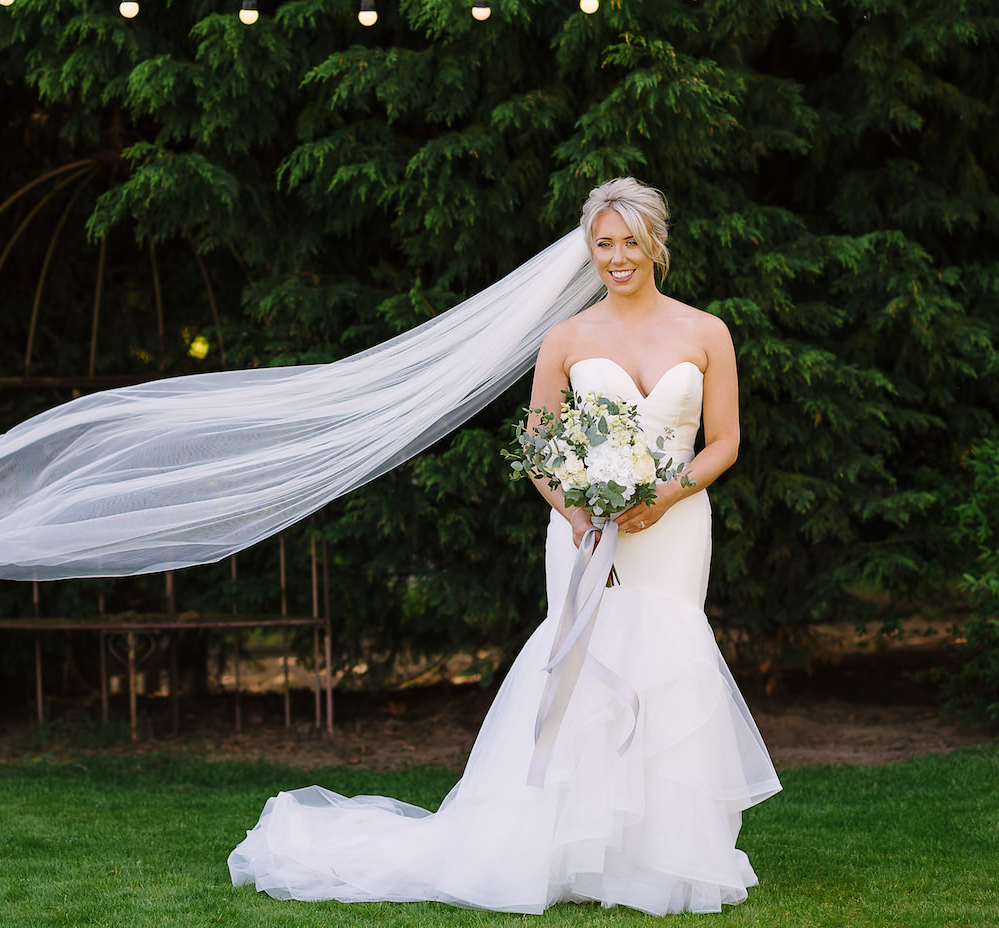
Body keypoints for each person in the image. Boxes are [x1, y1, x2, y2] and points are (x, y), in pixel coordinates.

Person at [228, 178, 781, 916]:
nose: (616, 257)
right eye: (602, 244)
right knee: (582, 664)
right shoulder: (568, 338)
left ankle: (664, 857)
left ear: (657, 242)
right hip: (586, 531)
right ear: (590, 252)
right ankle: (567, 851)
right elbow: (541, 452)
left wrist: (666, 493)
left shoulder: (706, 331)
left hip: (674, 526)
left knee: (670, 661)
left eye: (628, 242)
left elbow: (726, 442)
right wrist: (577, 510)